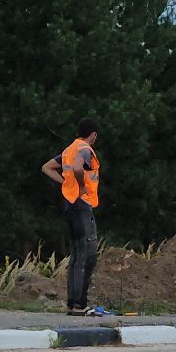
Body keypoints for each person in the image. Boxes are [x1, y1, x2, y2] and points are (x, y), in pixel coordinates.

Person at [41, 119, 102, 316]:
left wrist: (65, 184)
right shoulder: (85, 149)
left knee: (76, 255)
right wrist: (81, 186)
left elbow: (47, 167)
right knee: (87, 255)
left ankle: (72, 304)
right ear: (93, 135)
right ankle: (79, 304)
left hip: (69, 204)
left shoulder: (69, 149)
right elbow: (77, 168)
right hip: (81, 205)